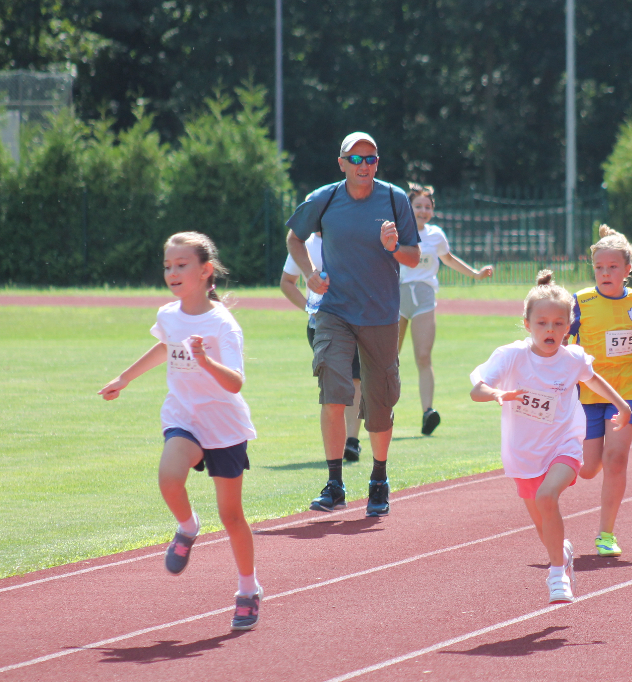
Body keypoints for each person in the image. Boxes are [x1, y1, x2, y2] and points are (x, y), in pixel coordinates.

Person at [98, 232, 262, 631]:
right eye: (168, 265)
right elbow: (164, 347)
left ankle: (248, 588)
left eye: (181, 265)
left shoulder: (223, 324)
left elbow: (236, 383)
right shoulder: (169, 315)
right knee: (169, 478)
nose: (172, 272)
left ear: (206, 271)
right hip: (184, 417)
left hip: (223, 425)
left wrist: (204, 360)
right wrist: (125, 377)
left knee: (231, 515)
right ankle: (187, 526)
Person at [470, 271, 631, 603]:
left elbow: (593, 378)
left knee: (547, 498)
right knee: (544, 527)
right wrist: (498, 394)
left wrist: (622, 405)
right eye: (542, 323)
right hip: (523, 453)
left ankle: (557, 576)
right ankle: (563, 553)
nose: (550, 330)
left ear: (569, 326)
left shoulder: (571, 358)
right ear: (527, 324)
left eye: (559, 323)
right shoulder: (512, 356)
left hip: (564, 445)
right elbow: (477, 389)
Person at [285, 132, 420, 517]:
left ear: (378, 163)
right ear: (341, 162)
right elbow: (294, 238)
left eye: (371, 159)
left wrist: (394, 247)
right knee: (334, 392)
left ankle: (378, 477)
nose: (364, 165)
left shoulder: (394, 199)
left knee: (380, 402)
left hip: (380, 315)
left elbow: (413, 256)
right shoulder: (324, 198)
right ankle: (334, 482)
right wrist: (311, 273)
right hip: (334, 310)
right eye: (356, 159)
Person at [570, 225, 632, 558]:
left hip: (626, 389)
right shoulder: (580, 302)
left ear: (627, 269)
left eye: (612, 267)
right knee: (589, 467)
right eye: (599, 267)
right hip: (588, 391)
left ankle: (605, 534)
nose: (605, 273)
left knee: (617, 458)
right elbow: (559, 338)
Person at [399, 183, 495, 435]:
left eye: (427, 207)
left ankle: (427, 412)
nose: (422, 211)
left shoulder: (435, 235)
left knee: (423, 356)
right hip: (395, 298)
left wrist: (475, 274)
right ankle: (381, 409)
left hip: (424, 297)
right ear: (408, 207)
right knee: (388, 359)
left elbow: (449, 259)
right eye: (418, 206)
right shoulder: (397, 231)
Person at [280, 231, 363, 463]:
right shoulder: (303, 245)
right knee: (334, 382)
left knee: (356, 378)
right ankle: (338, 445)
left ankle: (352, 441)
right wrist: (309, 308)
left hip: (354, 320)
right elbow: (286, 282)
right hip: (320, 324)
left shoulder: (348, 235)